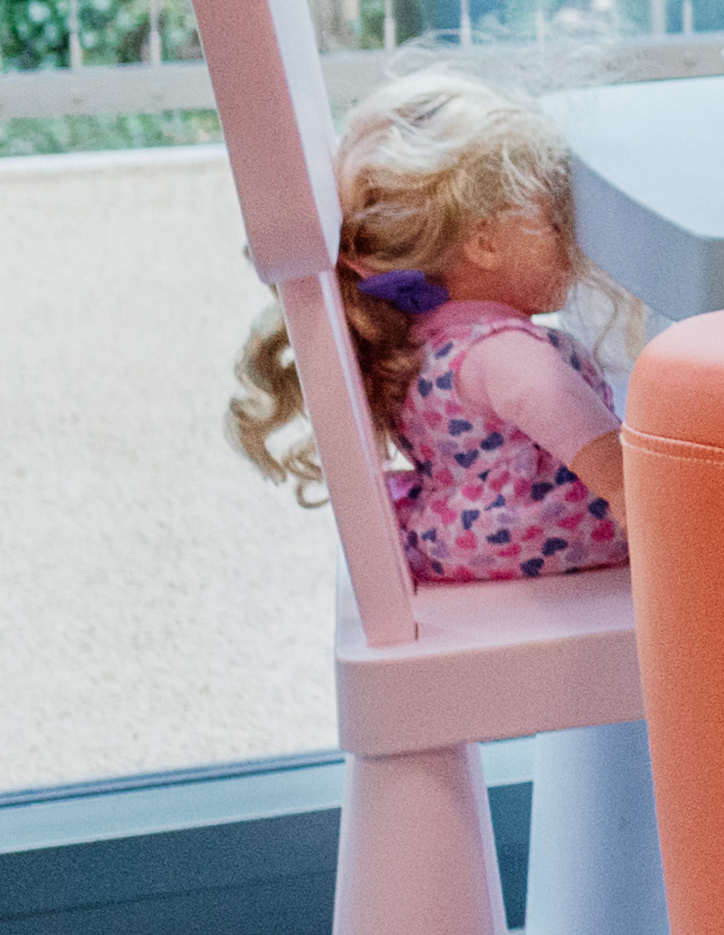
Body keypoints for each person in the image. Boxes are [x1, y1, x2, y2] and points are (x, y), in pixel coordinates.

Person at [226, 69, 629, 586]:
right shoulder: (504, 350)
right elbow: (588, 442)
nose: (573, 239)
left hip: (456, 539)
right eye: (556, 223)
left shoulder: (418, 340)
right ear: (485, 241)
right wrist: (637, 495)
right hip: (542, 533)